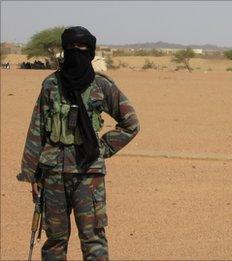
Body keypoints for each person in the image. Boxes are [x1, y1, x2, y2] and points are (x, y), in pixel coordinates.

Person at [17, 26, 140, 260]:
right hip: (53, 173)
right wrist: (32, 174)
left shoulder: (102, 86)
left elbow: (131, 123)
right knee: (54, 240)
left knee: (93, 238)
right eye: (71, 47)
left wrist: (101, 148)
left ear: (90, 52)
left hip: (88, 174)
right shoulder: (51, 85)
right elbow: (37, 129)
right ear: (64, 50)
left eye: (81, 47)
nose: (76, 51)